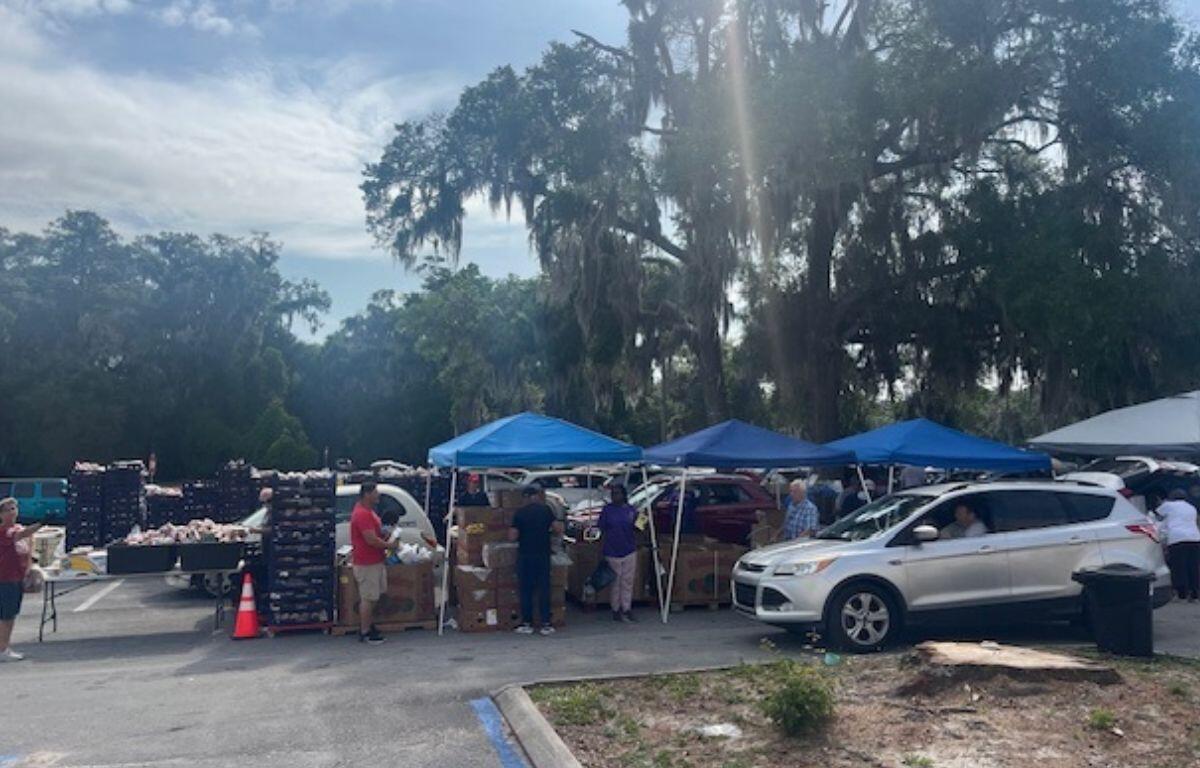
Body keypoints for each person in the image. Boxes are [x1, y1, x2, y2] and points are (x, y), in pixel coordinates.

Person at [509, 485, 562, 636]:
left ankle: (527, 623)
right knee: (544, 588)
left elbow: (512, 536)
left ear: (525, 497)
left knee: (526, 590)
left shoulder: (520, 513)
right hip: (543, 554)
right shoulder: (546, 510)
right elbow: (558, 529)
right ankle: (546, 624)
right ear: (536, 496)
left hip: (526, 555)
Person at [349, 482, 397, 645]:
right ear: (367, 494)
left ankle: (369, 624)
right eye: (375, 493)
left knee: (375, 595)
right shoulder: (362, 514)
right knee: (368, 597)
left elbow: (377, 534)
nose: (378, 496)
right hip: (366, 562)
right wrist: (389, 545)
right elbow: (371, 540)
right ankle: (365, 632)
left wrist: (388, 533)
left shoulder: (370, 512)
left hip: (376, 560)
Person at [1, 496, 44, 662]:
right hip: (5, 578)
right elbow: (21, 535)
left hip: (17, 577)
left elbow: (28, 548)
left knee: (11, 615)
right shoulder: (4, 531)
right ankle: (2, 649)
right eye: (7, 510)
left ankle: (4, 646)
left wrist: (31, 568)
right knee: (6, 616)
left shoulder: (18, 527)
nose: (12, 512)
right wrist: (40, 524)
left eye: (14, 508)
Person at [597, 484, 638, 623]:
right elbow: (602, 530)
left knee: (627, 581)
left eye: (618, 493)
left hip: (629, 549)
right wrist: (601, 550)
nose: (615, 496)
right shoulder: (607, 510)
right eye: (613, 493)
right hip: (611, 550)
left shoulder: (631, 510)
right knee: (615, 582)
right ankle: (615, 608)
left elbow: (639, 528)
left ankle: (626, 608)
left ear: (624, 495)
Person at [1155, 489, 1200, 601]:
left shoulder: (1169, 505)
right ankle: (1195, 592)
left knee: (1179, 566)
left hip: (1177, 538)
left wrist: (1161, 503)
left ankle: (1182, 593)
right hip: (1194, 538)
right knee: (1193, 566)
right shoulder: (1191, 507)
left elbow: (1158, 514)